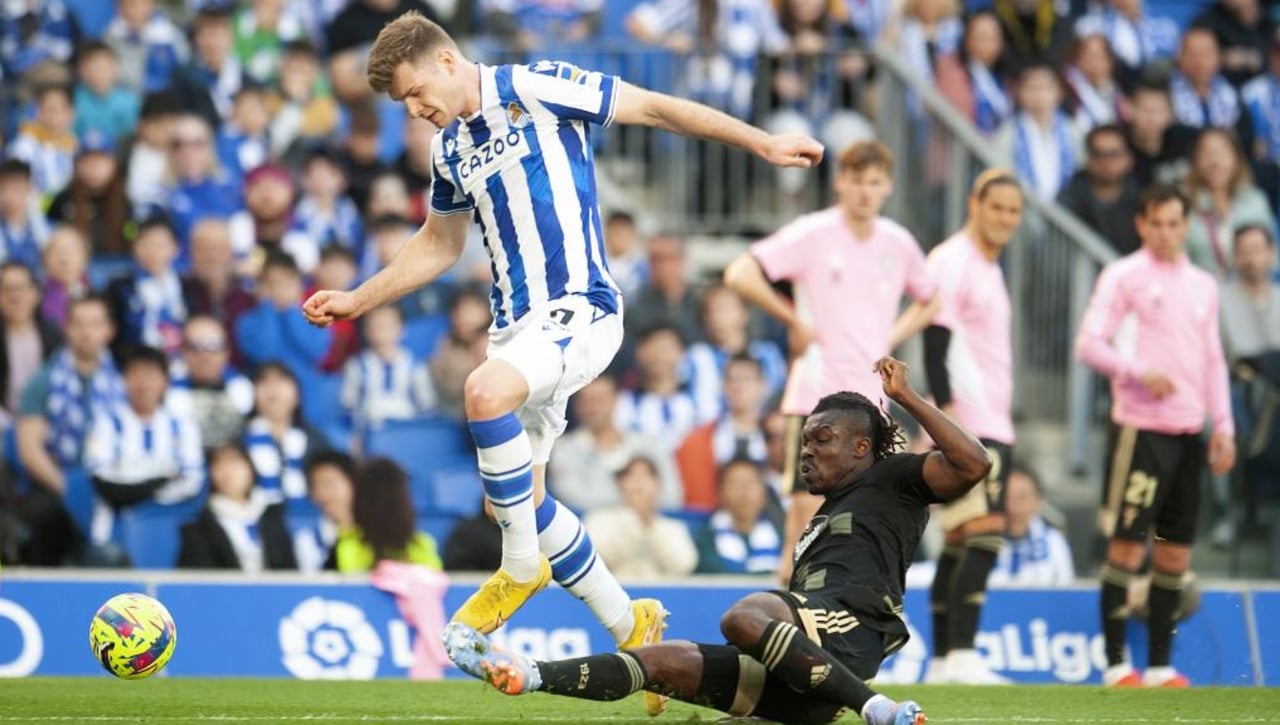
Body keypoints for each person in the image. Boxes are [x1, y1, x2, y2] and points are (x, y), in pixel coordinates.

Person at [301, 12, 823, 703]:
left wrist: (762, 142)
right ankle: (631, 624)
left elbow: (655, 107)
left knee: (484, 397)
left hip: (581, 308)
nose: (415, 110)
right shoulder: (450, 149)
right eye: (403, 104)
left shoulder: (535, 85)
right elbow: (439, 243)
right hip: (516, 328)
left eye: (414, 91)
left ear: (447, 60)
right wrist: (359, 298)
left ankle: (519, 568)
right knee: (524, 502)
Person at [446, 356, 991, 725]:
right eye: (804, 442)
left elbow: (974, 463)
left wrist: (908, 397)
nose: (807, 452)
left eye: (823, 440)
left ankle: (878, 711)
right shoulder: (820, 520)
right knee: (660, 661)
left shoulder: (892, 480)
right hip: (810, 676)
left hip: (853, 628)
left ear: (862, 448)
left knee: (745, 617)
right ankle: (531, 674)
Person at [723, 140, 935, 586]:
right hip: (815, 394)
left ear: (887, 187)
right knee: (803, 514)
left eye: (874, 182)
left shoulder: (897, 242)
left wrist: (891, 336)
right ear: (840, 182)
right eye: (856, 180)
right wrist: (793, 319)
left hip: (872, 402)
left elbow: (931, 298)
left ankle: (841, 616)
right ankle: (786, 621)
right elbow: (740, 272)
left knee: (865, 516)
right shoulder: (813, 233)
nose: (864, 191)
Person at [1074, 183, 1236, 688]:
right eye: (1156, 223)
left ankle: (1162, 665)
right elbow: (1089, 345)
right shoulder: (1123, 277)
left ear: (1185, 225)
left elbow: (1213, 359)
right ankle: (1117, 663)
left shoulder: (1204, 285)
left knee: (1174, 551)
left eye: (1174, 223)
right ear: (1142, 224)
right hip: (1140, 430)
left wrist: (1223, 425)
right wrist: (1138, 370)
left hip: (1189, 432)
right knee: (1126, 546)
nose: (1166, 233)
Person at [915, 169, 1023, 685]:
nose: (1005, 218)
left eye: (1014, 210)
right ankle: (962, 653)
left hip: (988, 417)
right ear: (973, 203)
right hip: (970, 423)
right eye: (997, 206)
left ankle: (943, 661)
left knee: (960, 539)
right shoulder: (952, 260)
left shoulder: (986, 266)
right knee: (984, 534)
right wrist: (946, 422)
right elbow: (936, 341)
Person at [176, 442, 297, 571]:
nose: (228, 473)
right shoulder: (197, 528)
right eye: (219, 465)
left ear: (251, 469)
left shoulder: (272, 519)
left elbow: (289, 572)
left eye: (235, 463)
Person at [582, 456, 699, 580]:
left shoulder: (672, 528)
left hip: (661, 595)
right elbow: (598, 558)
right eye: (632, 476)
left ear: (658, 485)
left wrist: (651, 526)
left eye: (647, 476)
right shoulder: (598, 520)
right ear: (620, 484)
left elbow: (684, 565)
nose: (639, 483)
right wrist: (634, 520)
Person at [987, 463, 1075, 586]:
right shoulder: (984, 542)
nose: (1014, 507)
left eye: (1021, 498)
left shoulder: (1054, 542)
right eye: (1008, 497)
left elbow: (1065, 593)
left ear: (1038, 501)